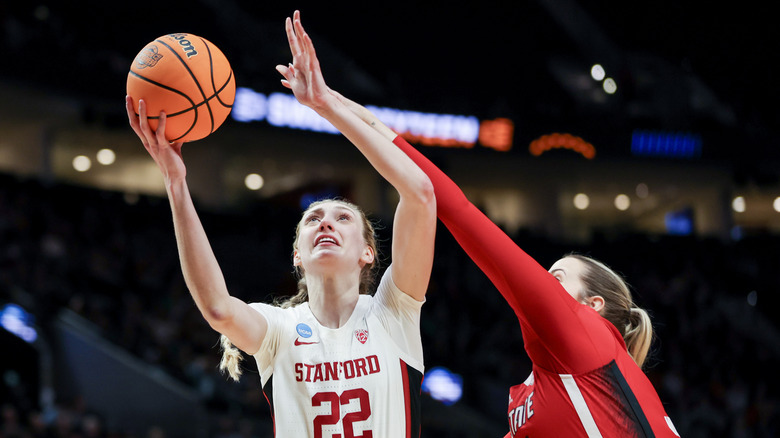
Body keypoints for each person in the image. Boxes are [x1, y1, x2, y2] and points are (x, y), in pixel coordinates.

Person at [124, 10, 436, 437]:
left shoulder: (393, 313)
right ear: (297, 255)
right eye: (312, 219)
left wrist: (327, 106)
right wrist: (176, 183)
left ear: (368, 253)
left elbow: (419, 193)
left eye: (343, 217)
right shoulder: (279, 330)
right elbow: (217, 307)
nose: (325, 223)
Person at [330, 80, 682, 437]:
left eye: (556, 278)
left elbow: (456, 207)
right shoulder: (532, 390)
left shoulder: (588, 338)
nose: (543, 283)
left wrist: (336, 109)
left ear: (592, 305)